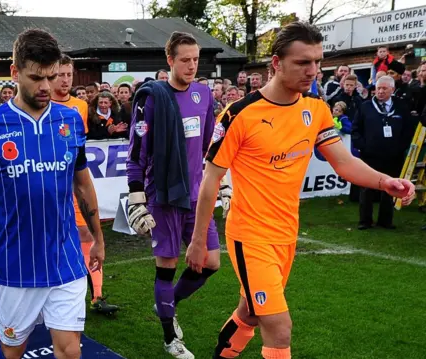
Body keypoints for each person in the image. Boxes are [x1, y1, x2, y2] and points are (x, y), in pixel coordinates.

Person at [187, 22, 415, 359]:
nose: (313, 71)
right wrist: (198, 242)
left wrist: (384, 181)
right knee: (279, 329)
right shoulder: (239, 114)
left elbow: (343, 162)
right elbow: (210, 180)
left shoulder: (315, 109)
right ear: (276, 63)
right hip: (250, 236)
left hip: (286, 233)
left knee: (250, 312)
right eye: (303, 62)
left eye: (317, 62)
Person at [0, 28, 105, 359]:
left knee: (70, 352)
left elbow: (82, 182)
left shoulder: (70, 120)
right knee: (13, 351)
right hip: (15, 265)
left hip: (64, 259)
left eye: (51, 77)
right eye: (36, 78)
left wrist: (98, 237)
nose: (46, 87)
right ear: (14, 73)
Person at [126, 31, 220, 359]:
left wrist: (219, 180)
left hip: (197, 194)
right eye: (185, 60)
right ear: (169, 60)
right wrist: (137, 195)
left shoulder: (204, 96)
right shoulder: (151, 96)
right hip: (164, 196)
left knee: (209, 263)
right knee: (166, 267)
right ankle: (170, 338)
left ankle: (167, 304)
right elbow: (137, 152)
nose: (192, 65)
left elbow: (210, 145)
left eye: (196, 59)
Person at [51, 54, 119, 314]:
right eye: (61, 74)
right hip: (51, 184)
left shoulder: (80, 106)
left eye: (69, 74)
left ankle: (97, 296)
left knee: (87, 233)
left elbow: (81, 146)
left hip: (75, 181)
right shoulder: (42, 104)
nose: (65, 79)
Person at [352, 75, 419, 230]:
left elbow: (408, 130)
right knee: (367, 187)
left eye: (384, 88)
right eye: (378, 88)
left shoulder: (401, 106)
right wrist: (364, 146)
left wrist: (400, 147)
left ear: (392, 90)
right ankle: (365, 221)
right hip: (370, 155)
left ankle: (386, 220)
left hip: (393, 156)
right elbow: (356, 129)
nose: (380, 92)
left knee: (392, 187)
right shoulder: (365, 106)